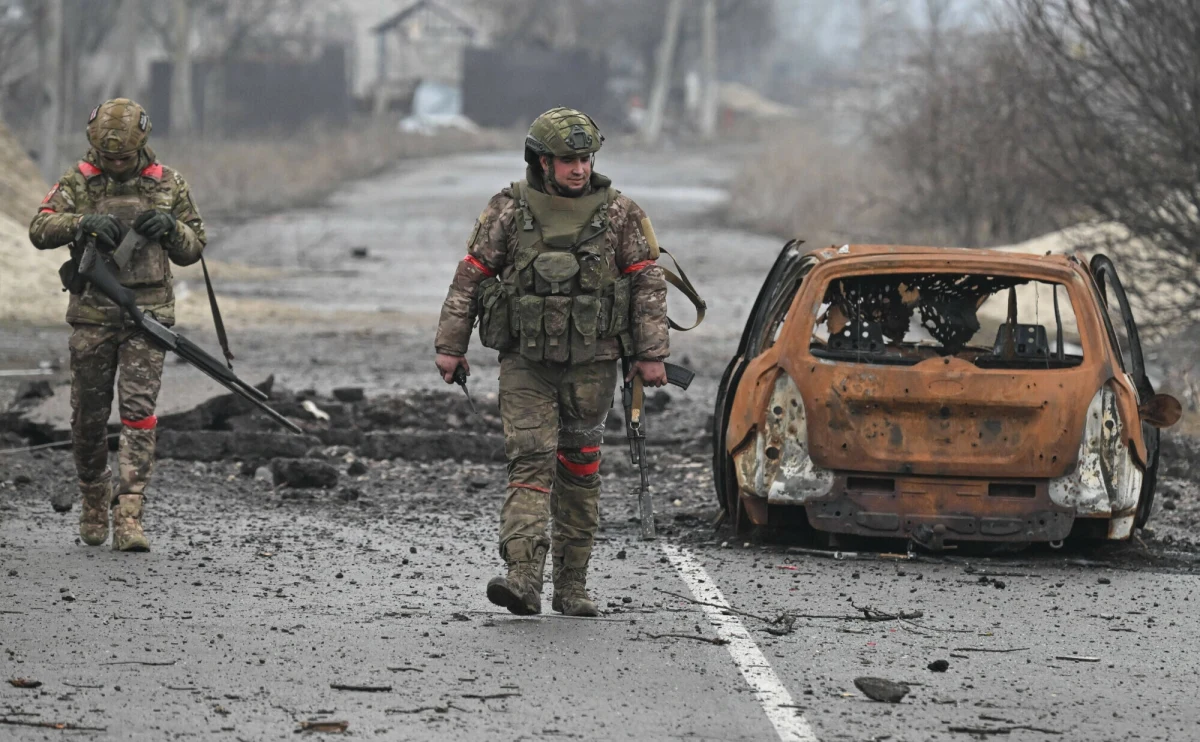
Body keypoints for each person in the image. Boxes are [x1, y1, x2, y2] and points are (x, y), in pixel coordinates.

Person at [434, 107, 670, 616]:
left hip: (593, 365)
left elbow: (648, 282)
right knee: (530, 462)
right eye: (568, 160)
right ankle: (522, 577)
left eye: (585, 159)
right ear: (542, 162)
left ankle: (572, 585)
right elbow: (471, 275)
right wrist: (451, 345)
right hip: (526, 364)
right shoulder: (507, 209)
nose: (579, 169)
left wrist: (651, 355)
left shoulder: (621, 213)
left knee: (580, 469)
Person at [28, 98, 206, 552]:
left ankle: (130, 512)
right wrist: (81, 222)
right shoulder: (79, 182)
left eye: (125, 157)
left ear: (141, 146)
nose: (117, 164)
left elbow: (193, 247)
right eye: (109, 157)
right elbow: (39, 228)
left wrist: (170, 226)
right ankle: (94, 495)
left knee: (138, 412)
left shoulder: (167, 183)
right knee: (88, 417)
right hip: (93, 315)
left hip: (148, 316)